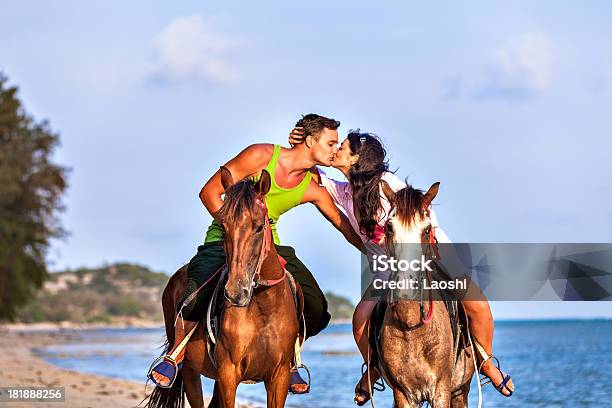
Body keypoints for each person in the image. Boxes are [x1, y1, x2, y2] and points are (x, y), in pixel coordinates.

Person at [289, 128, 515, 405]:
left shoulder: (388, 181)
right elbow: (309, 170)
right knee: (360, 320)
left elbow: (419, 207)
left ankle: (486, 361)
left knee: (477, 305)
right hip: (386, 268)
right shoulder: (342, 191)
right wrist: (303, 144)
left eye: (343, 146)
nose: (335, 150)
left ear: (358, 157)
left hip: (431, 254)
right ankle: (373, 369)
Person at [149, 114, 366, 393]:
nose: (336, 149)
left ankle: (287, 355)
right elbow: (210, 192)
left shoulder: (313, 185)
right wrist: (235, 230)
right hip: (225, 238)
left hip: (269, 245)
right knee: (194, 291)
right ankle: (176, 353)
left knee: (316, 307)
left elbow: (342, 224)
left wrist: (371, 250)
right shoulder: (261, 155)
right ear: (310, 141)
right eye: (332, 142)